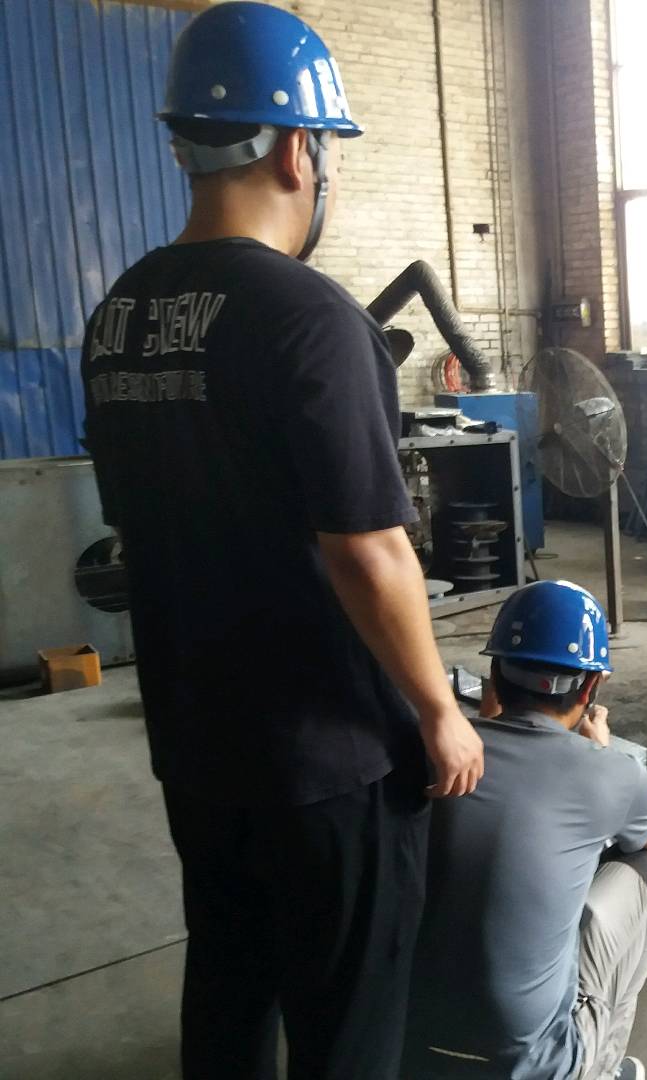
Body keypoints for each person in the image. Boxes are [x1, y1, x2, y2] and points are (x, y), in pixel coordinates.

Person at [79, 4, 484, 1077]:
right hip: (328, 755)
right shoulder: (308, 313)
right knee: (347, 1019)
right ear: (301, 147)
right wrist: (439, 711)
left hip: (197, 739)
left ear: (186, 145)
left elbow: (137, 517)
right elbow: (368, 549)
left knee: (229, 984)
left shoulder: (118, 315)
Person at [405, 580, 647, 1080]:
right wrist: (600, 751)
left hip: (406, 1041)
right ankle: (600, 1069)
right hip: (530, 1065)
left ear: (493, 673)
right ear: (590, 688)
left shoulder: (432, 751)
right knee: (646, 872)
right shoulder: (610, 773)